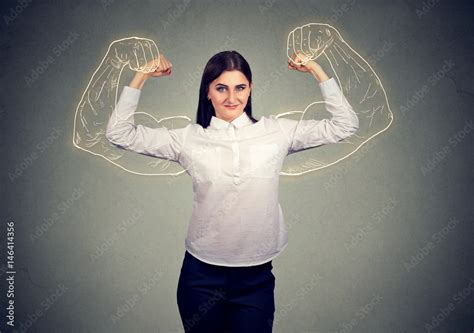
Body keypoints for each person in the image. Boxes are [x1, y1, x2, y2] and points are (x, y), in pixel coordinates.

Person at [105, 49, 359, 332]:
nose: (231, 98)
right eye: (221, 88)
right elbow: (119, 133)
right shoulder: (188, 139)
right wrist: (141, 75)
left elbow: (345, 125)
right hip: (201, 277)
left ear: (250, 90)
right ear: (208, 92)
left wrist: (316, 70)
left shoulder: (277, 133)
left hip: (255, 279)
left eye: (240, 88)